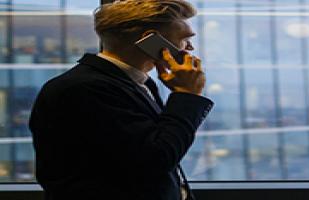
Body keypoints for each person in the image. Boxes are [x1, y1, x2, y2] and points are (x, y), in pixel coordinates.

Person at [28, 1, 212, 200]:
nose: (190, 47)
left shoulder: (134, 82)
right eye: (185, 39)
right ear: (151, 40)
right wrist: (187, 96)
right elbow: (156, 159)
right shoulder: (83, 89)